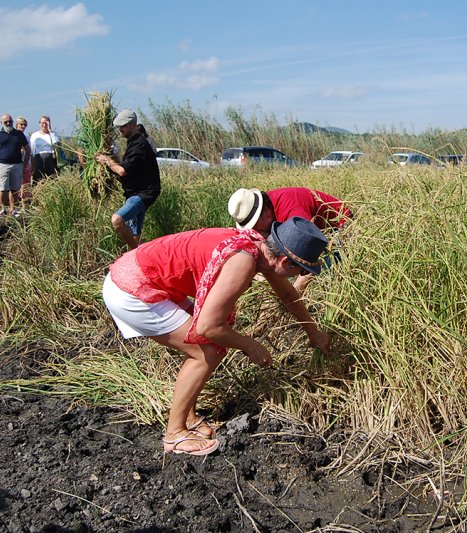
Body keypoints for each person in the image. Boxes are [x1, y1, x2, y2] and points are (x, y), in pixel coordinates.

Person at [102, 216, 331, 455]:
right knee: (206, 352)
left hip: (145, 273)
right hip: (132, 287)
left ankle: (188, 417)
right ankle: (175, 434)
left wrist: (313, 333)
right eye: (302, 270)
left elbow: (288, 295)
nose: (300, 275)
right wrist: (249, 345)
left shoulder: (259, 248)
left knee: (206, 347)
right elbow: (207, 327)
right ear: (285, 261)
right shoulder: (242, 262)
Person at [228, 187, 353, 291]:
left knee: (325, 272)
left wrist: (293, 296)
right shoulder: (264, 210)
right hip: (314, 229)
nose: (256, 232)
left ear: (266, 212)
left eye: (256, 227)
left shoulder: (293, 213)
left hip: (339, 226)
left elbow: (309, 255)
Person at [96, 109, 160, 250]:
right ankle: (142, 259)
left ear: (133, 125)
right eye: (119, 126)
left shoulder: (139, 145)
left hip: (143, 193)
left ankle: (135, 256)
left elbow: (122, 170)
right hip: (135, 192)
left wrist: (106, 160)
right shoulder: (133, 143)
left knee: (117, 220)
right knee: (135, 235)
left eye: (123, 126)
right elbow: (126, 167)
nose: (120, 129)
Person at [0, 113, 30, 217]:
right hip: (2, 165)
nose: (8, 123)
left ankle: (13, 209)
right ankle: (4, 208)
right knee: (3, 188)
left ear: (12, 122)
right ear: (1, 123)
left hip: (17, 164)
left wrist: (24, 163)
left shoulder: (19, 134)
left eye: (10, 121)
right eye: (5, 122)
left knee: (15, 189)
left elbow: (27, 149)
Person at [29, 115, 61, 183]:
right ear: (39, 124)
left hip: (51, 158)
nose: (44, 125)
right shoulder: (34, 135)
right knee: (38, 179)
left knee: (52, 179)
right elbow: (32, 149)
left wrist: (50, 132)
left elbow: (56, 144)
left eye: (46, 123)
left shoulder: (54, 134)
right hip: (38, 158)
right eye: (42, 123)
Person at [14, 116, 33, 202]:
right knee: (16, 186)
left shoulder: (27, 138)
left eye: (25, 125)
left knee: (26, 186)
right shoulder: (12, 137)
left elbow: (30, 153)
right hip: (15, 164)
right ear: (16, 125)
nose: (23, 126)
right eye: (21, 124)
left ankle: (25, 205)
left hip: (26, 164)